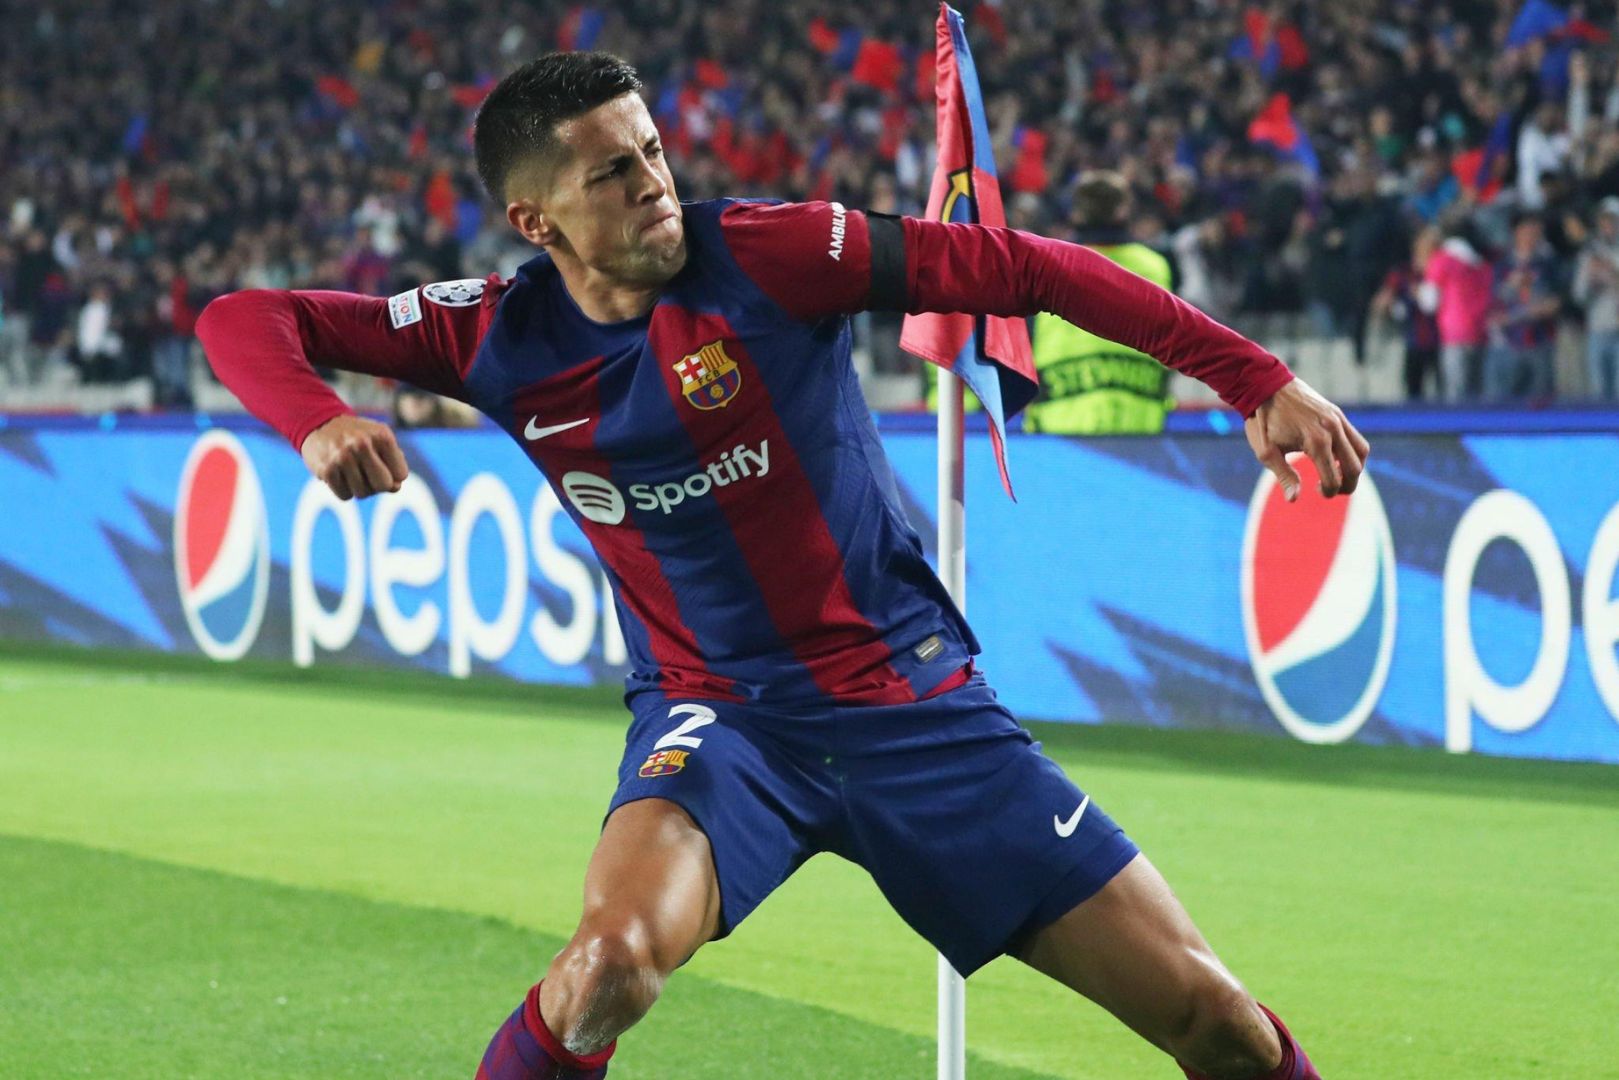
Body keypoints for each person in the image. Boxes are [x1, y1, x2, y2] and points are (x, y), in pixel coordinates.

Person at [197, 52, 1367, 1080]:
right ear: (533, 220)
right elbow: (246, 319)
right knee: (601, 969)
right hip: (720, 723)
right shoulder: (495, 333)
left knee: (1218, 1027)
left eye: (652, 150)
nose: (653, 181)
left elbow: (1033, 271)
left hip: (911, 708)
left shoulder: (776, 251)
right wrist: (313, 423)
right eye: (611, 171)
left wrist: (1252, 377)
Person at [1024, 170, 1176, 434]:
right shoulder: (1154, 266)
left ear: (1076, 213)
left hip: (1061, 423)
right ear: (1124, 210)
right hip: (1137, 423)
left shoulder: (1046, 263)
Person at [1485, 213, 1561, 400]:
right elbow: (1494, 300)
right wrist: (1511, 285)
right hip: (1509, 341)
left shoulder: (1547, 264)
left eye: (1535, 232)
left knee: (1541, 400)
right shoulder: (1502, 265)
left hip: (1540, 339)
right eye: (1526, 231)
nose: (1530, 236)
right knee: (1505, 401)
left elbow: (1556, 301)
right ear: (1516, 233)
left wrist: (1543, 308)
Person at [1420, 223, 1494, 401]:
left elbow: (1429, 303)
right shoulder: (1482, 263)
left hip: (1454, 333)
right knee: (1478, 392)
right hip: (1481, 332)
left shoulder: (1442, 260)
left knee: (1456, 394)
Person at [1573, 196, 1619, 400]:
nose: (1609, 225)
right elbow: (1579, 296)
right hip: (1599, 330)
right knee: (1599, 395)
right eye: (1604, 220)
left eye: (1613, 220)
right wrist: (1592, 279)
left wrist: (1612, 275)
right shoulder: (1590, 253)